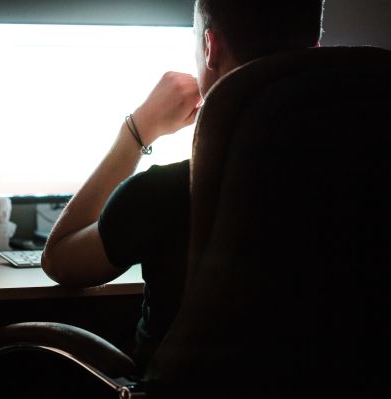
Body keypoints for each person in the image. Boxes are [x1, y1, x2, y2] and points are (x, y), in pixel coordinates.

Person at [42, 0, 325, 371]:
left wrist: (136, 130)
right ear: (316, 53)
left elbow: (60, 260)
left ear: (210, 48)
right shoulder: (373, 182)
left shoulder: (170, 191)